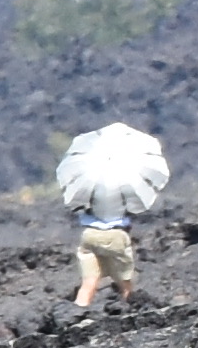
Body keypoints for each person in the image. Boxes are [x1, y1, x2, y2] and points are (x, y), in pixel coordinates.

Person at [55, 121, 170, 316]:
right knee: (124, 280)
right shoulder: (125, 182)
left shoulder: (92, 181)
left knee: (89, 281)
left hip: (90, 235)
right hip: (116, 235)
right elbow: (135, 206)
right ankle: (129, 310)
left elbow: (79, 203)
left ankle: (75, 315)